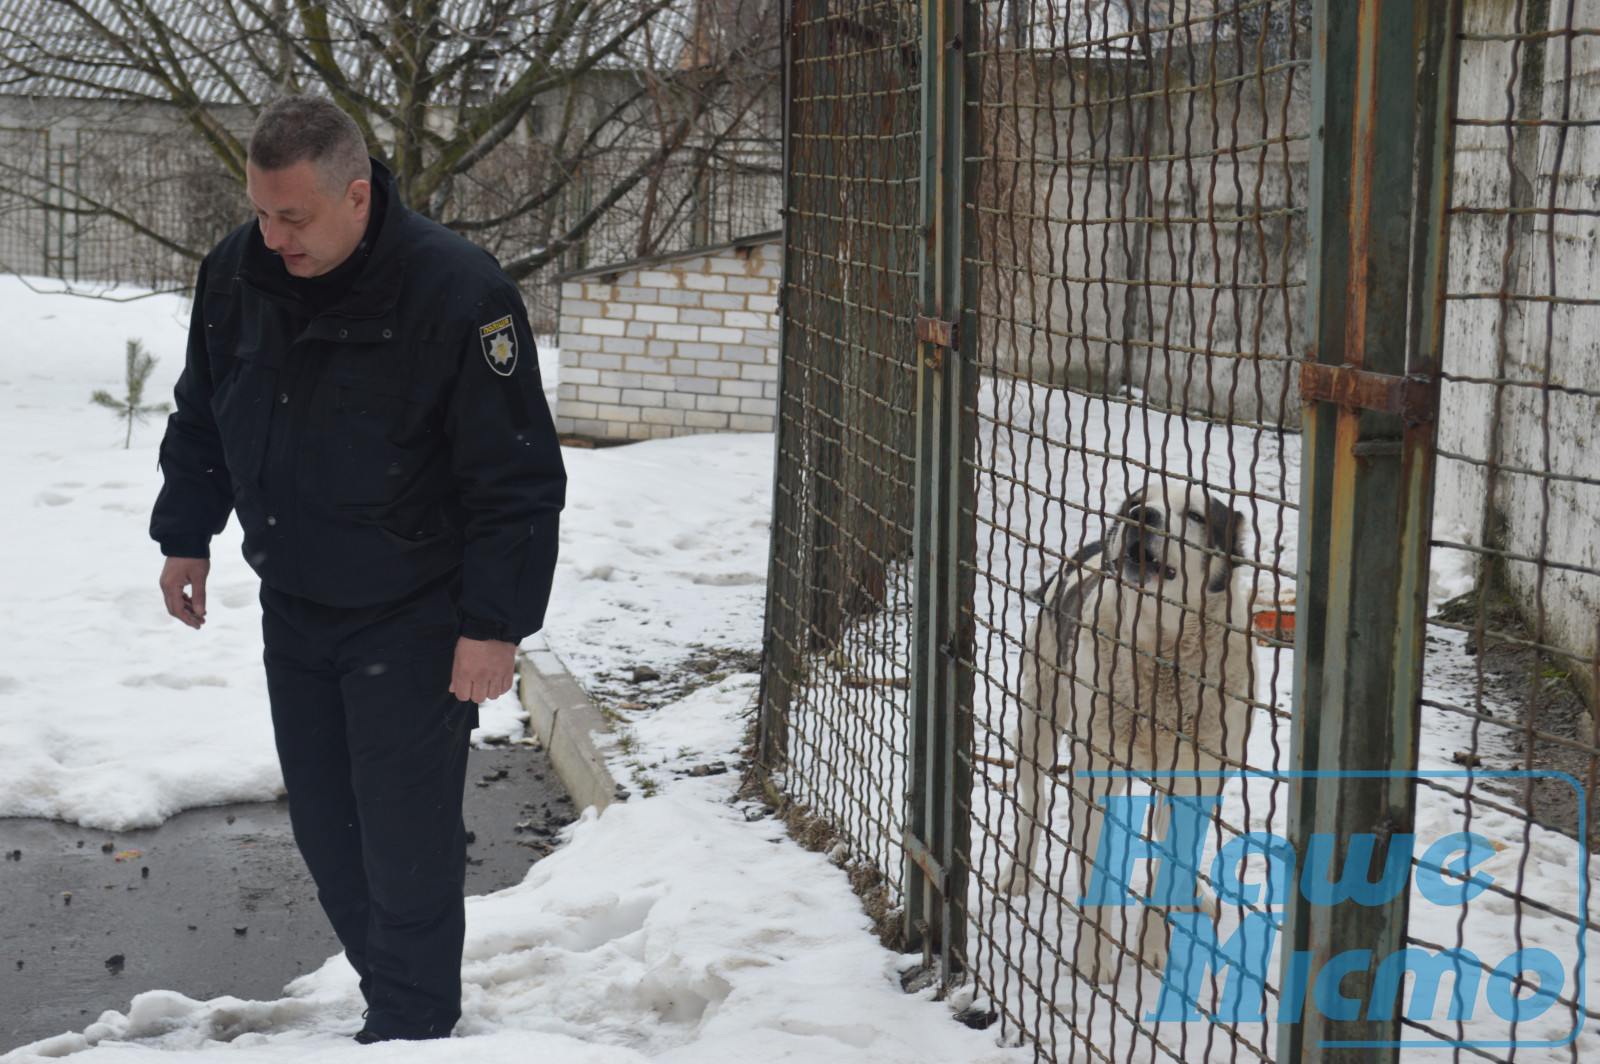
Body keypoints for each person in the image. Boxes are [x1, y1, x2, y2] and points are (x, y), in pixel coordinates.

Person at [150, 95, 566, 1042]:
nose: (273, 235)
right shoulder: (237, 273)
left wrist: (494, 625)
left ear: (357, 193)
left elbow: (517, 481)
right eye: (260, 210)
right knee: (329, 835)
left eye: (293, 216)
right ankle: (400, 1000)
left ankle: (414, 1028)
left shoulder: (459, 293)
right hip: (296, 602)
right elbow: (203, 416)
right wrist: (186, 535)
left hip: (414, 612)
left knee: (404, 842)